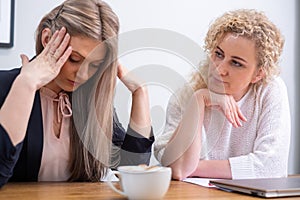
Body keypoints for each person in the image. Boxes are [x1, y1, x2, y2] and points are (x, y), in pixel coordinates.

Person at [0, 0, 154, 187]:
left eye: (95, 65)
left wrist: (140, 92)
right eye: (74, 59)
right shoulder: (7, 87)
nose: (83, 74)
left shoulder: (90, 100)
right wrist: (26, 85)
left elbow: (133, 169)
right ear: (47, 39)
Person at [154, 9, 291, 180]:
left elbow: (271, 167)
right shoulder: (187, 94)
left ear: (258, 74)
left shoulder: (270, 90)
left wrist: (193, 167)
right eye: (218, 54)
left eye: (236, 63)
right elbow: (177, 169)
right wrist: (199, 100)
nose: (219, 69)